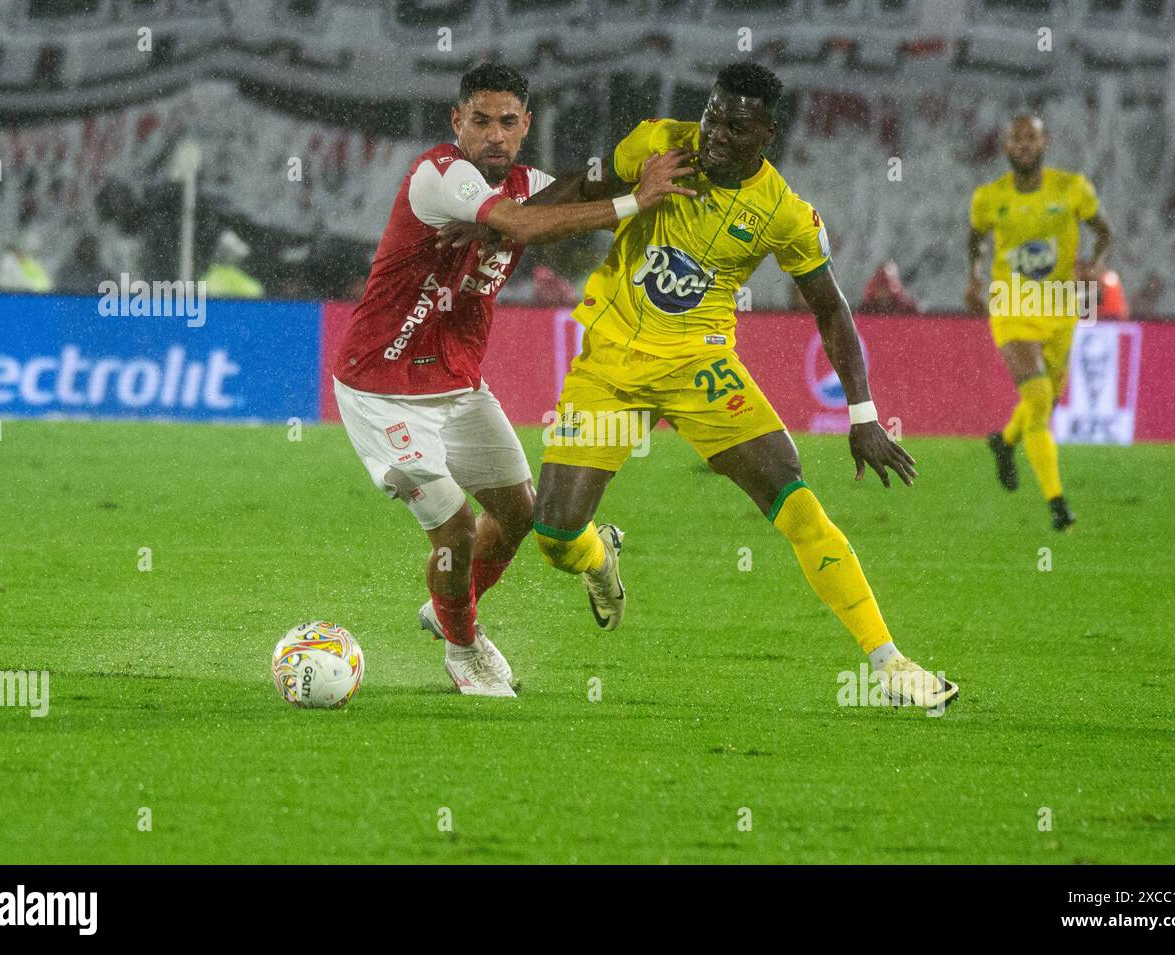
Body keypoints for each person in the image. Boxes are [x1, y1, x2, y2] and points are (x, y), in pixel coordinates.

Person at [494, 63, 957, 709]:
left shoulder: (785, 214)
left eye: (734, 126)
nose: (713, 135)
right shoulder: (658, 143)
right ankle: (601, 556)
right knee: (555, 533)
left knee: (796, 499)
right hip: (611, 364)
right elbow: (586, 187)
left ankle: (891, 663)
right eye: (712, 116)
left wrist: (864, 413)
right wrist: (514, 224)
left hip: (700, 369)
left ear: (766, 134)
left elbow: (831, 307)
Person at [331, 63, 692, 697]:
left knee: (519, 514)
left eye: (507, 122)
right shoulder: (438, 176)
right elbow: (524, 225)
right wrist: (634, 200)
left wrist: (650, 177)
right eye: (480, 121)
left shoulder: (531, 183)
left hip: (458, 386)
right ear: (457, 123)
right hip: (380, 387)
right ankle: (465, 649)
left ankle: (451, 605)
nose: (494, 135)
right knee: (454, 528)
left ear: (526, 126)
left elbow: (573, 207)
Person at [966, 115, 1111, 531]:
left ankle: (1004, 442)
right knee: (1039, 399)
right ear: (1007, 146)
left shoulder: (1071, 189)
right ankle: (1057, 503)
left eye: (1031, 137)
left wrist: (1095, 266)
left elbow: (1105, 233)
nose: (1023, 145)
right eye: (1016, 138)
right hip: (1011, 308)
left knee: (1046, 399)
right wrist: (973, 277)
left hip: (1061, 309)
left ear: (1045, 142)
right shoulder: (989, 197)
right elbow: (974, 238)